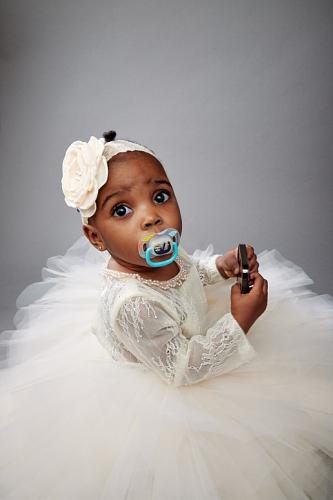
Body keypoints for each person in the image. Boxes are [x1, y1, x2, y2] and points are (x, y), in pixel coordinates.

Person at [0, 130, 332, 499]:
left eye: (160, 196)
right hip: (170, 376)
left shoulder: (162, 254)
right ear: (96, 238)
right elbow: (184, 368)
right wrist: (240, 321)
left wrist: (220, 268)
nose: (152, 218)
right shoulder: (134, 304)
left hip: (179, 338)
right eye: (122, 210)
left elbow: (186, 276)